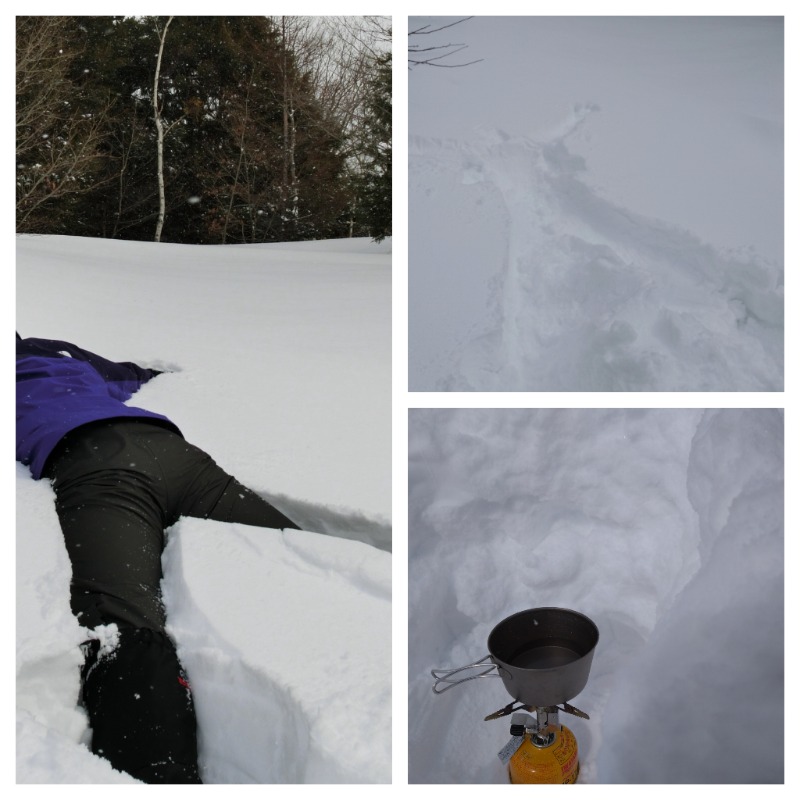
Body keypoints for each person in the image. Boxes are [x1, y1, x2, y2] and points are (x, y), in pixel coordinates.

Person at [16, 334, 299, 783]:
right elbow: (126, 374)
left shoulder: (46, 351)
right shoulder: (52, 349)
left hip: (98, 463)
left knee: (120, 619)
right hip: (174, 455)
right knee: (297, 552)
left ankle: (157, 772)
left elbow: (126, 373)